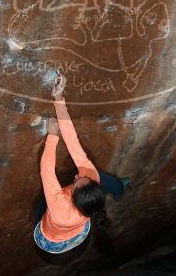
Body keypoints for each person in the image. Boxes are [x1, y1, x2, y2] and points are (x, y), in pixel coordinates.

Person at [33, 74, 130, 254]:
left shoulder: (59, 205)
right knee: (101, 176)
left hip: (51, 236)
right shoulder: (89, 180)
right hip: (77, 229)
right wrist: (58, 98)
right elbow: (73, 143)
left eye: (76, 182)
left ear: (72, 198)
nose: (77, 175)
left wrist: (52, 136)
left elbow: (46, 171)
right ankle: (118, 188)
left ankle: (117, 187)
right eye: (82, 178)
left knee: (42, 201)